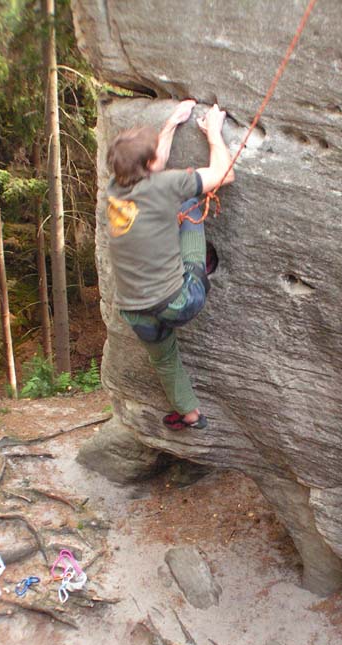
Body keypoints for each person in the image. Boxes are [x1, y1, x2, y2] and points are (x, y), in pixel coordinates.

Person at [105, 99, 234, 431]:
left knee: (164, 358)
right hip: (180, 302)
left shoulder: (115, 189)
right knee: (191, 201)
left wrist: (171, 124)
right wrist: (213, 133)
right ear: (149, 164)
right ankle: (198, 265)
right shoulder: (165, 186)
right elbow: (225, 174)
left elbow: (152, 164)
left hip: (136, 312)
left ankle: (190, 414)